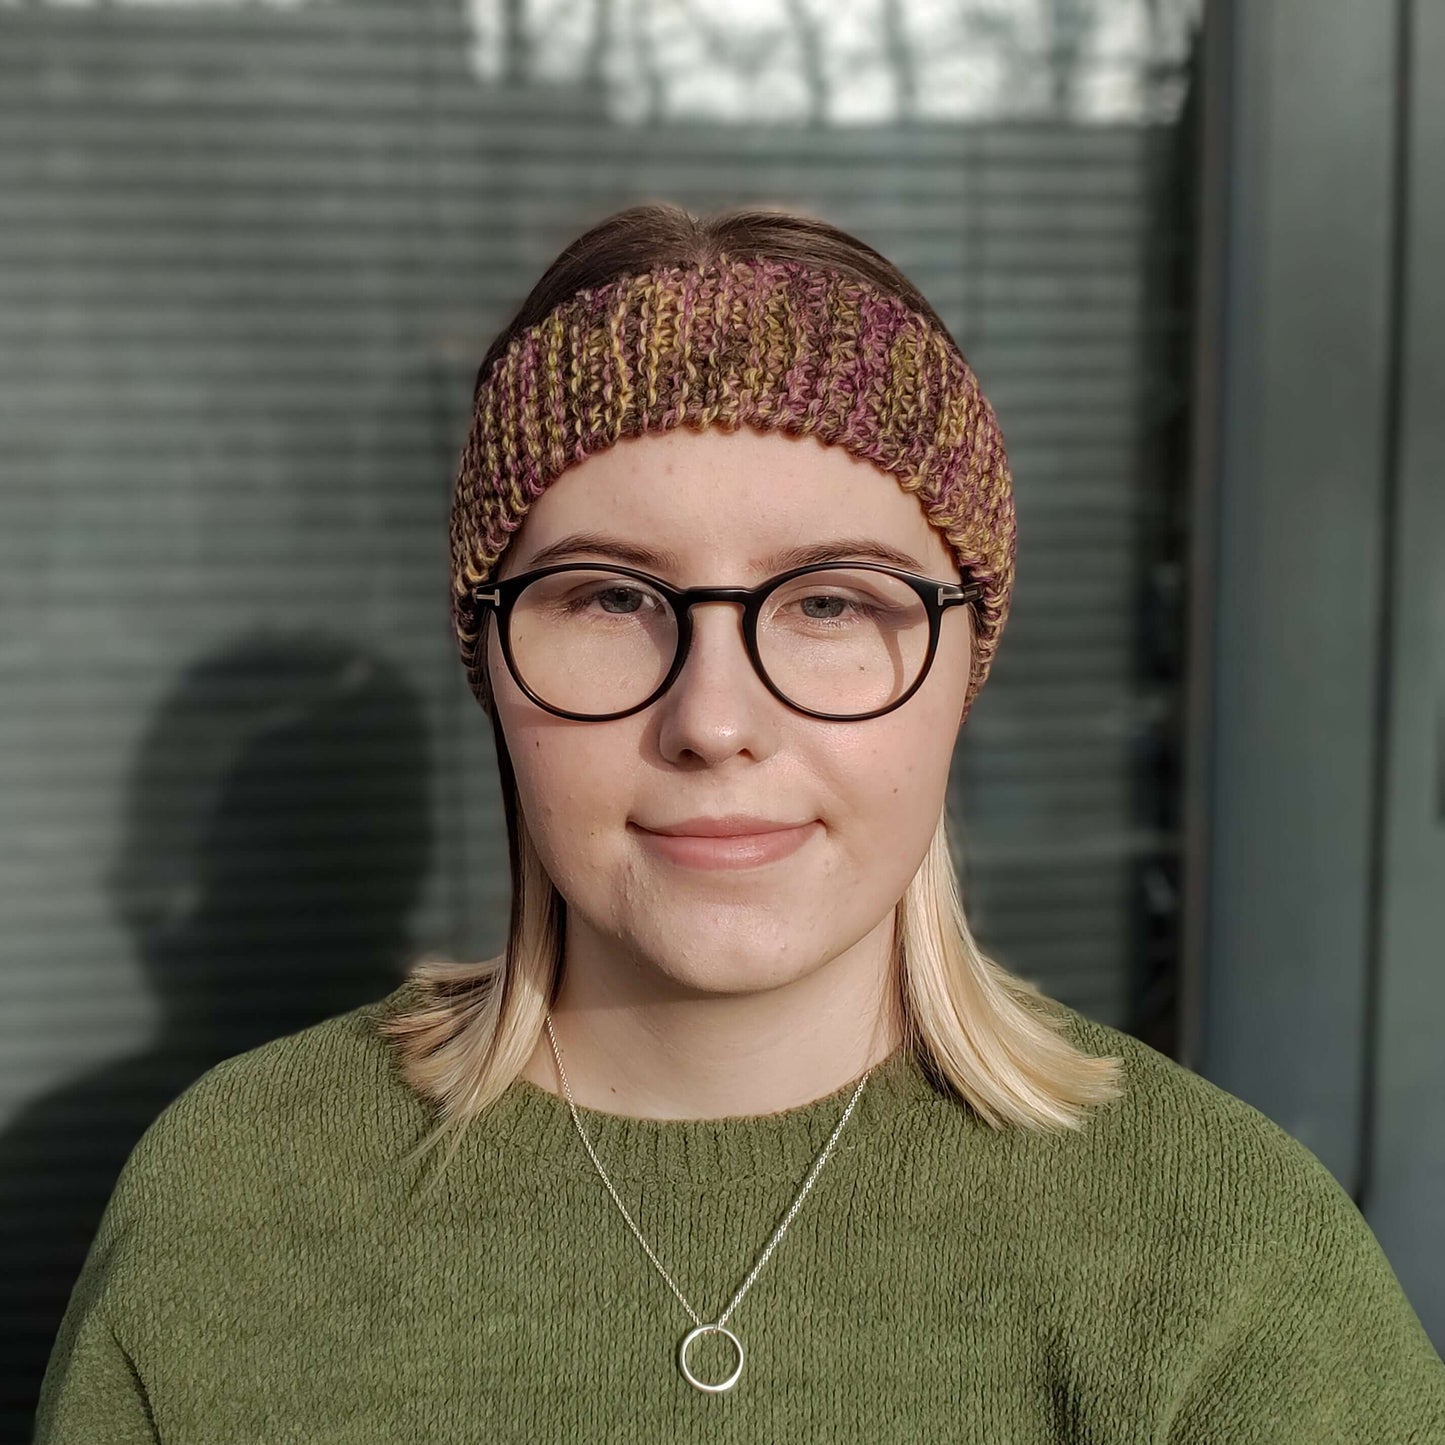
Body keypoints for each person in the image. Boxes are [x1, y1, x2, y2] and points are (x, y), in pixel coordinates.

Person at [33, 202, 1445, 1442]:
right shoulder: (234, 1208)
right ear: (489, 666)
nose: (713, 716)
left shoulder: (1225, 1257)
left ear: (963, 665)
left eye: (830, 601)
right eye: (607, 597)